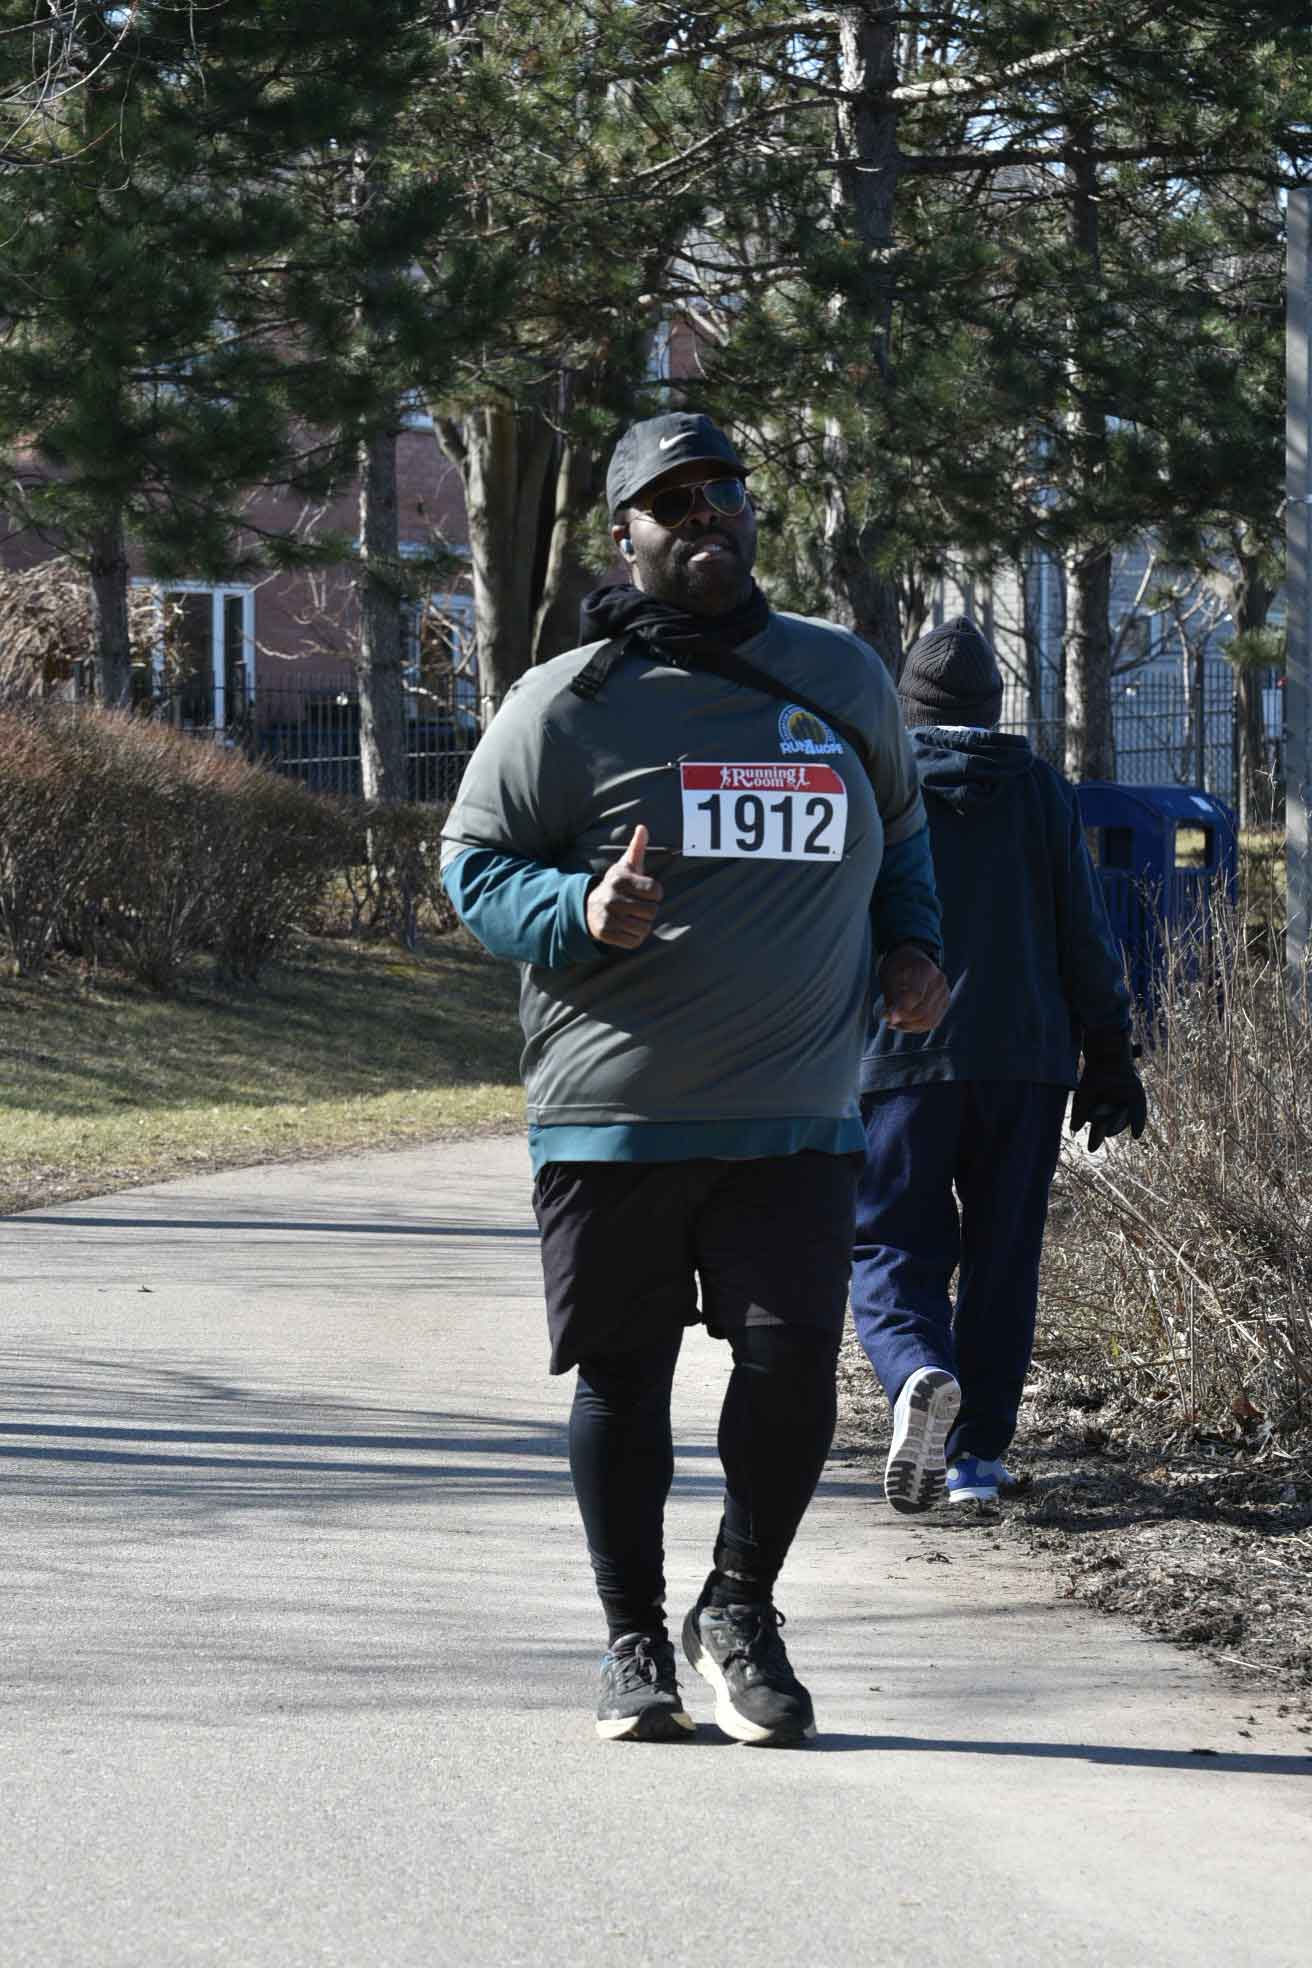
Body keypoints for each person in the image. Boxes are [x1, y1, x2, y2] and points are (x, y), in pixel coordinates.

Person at [441, 411, 947, 1746]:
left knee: (789, 1370)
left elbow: (903, 838)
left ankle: (739, 1607)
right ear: (626, 535)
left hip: (799, 1108)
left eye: (722, 488)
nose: (706, 513)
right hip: (616, 1113)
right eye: (673, 501)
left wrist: (914, 947)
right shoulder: (566, 702)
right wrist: (575, 911)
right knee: (625, 1379)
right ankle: (631, 1642)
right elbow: (472, 869)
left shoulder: (842, 677)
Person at [851, 616, 1146, 1512]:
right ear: (992, 707)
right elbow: (1084, 934)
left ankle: (916, 1372)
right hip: (1027, 1061)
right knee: (1003, 1255)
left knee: (892, 1241)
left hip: (901, 1053)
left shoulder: (876, 785)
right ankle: (975, 1458)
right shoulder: (1041, 791)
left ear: (907, 705)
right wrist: (1109, 1052)